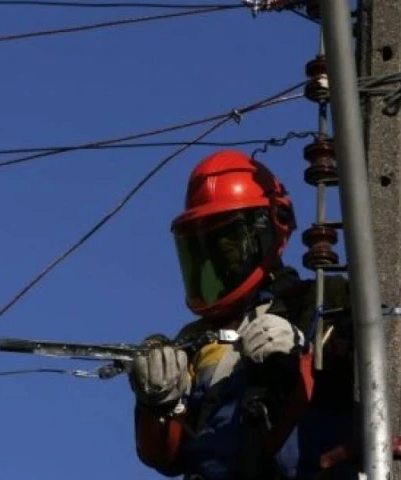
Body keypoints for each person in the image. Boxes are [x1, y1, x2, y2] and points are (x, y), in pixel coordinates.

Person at [128, 150, 354, 479]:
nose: (220, 256)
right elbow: (165, 458)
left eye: (229, 239)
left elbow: (369, 389)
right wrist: (156, 405)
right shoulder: (192, 340)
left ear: (267, 231)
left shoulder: (320, 300)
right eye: (206, 245)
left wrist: (298, 357)